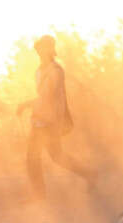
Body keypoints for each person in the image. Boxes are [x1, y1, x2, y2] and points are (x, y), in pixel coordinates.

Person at [17, 35, 95, 201]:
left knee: (37, 157)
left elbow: (47, 96)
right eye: (39, 48)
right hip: (40, 119)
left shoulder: (56, 71)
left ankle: (39, 195)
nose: (40, 51)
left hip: (49, 121)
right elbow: (42, 96)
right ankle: (89, 174)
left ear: (50, 49)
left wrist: (25, 104)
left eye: (44, 48)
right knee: (55, 156)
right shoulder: (41, 70)